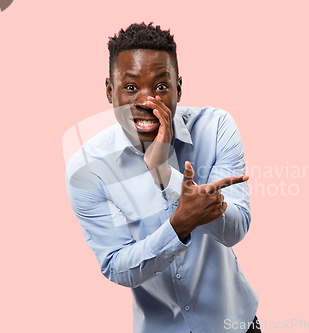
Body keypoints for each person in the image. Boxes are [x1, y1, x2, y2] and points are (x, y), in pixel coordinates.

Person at [65, 22, 261, 333]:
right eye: (131, 88)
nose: (147, 101)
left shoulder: (216, 128)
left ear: (178, 88)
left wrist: (163, 173)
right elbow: (116, 265)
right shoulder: (88, 170)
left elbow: (235, 230)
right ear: (109, 91)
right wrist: (179, 225)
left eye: (160, 86)